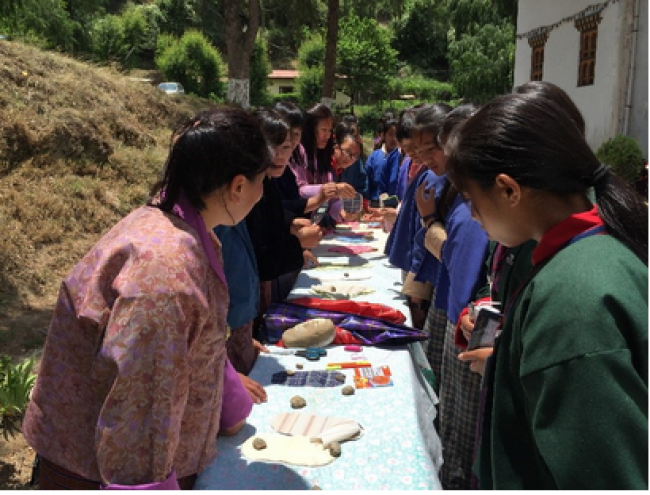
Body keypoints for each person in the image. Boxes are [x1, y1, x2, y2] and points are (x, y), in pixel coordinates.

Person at [23, 108, 269, 489]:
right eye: (262, 181)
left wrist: (232, 407)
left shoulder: (182, 230)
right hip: (93, 472)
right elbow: (139, 417)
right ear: (238, 187)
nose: (262, 193)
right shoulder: (164, 273)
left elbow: (194, 345)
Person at [446, 91, 648, 489]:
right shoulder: (587, 254)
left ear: (508, 190)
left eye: (472, 199)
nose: (472, 216)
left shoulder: (573, 298)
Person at [413, 103, 489, 490]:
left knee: (460, 440)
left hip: (467, 338)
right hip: (455, 323)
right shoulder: (459, 197)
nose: (430, 160)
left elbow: (463, 265)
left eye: (437, 149)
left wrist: (429, 223)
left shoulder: (475, 206)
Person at [246, 109, 323, 332]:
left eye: (287, 147)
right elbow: (259, 251)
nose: (280, 155)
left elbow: (275, 212)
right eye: (273, 147)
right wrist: (297, 244)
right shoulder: (250, 188)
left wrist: (291, 223)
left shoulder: (268, 181)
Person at [291, 103, 356, 225]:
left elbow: (331, 201)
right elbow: (301, 190)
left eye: (330, 130)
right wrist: (333, 189)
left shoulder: (324, 154)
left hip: (316, 227)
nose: (327, 135)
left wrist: (342, 213)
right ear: (310, 129)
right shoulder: (297, 153)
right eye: (323, 130)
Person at [365, 111, 399, 200]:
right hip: (375, 201)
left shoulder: (402, 157)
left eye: (397, 135)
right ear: (383, 135)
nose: (394, 139)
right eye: (391, 134)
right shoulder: (374, 157)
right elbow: (367, 181)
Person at [332, 121, 367, 198]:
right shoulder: (324, 166)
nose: (350, 159)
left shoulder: (355, 163)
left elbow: (362, 186)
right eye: (348, 152)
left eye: (355, 156)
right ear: (336, 145)